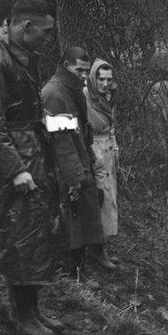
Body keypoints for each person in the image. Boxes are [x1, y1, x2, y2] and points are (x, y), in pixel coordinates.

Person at [0, 0, 63, 335]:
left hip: (31, 152)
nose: (49, 38)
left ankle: (32, 308)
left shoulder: (18, 55)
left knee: (36, 230)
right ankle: (20, 313)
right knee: (18, 234)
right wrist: (15, 169)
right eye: (46, 31)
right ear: (26, 26)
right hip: (13, 161)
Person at [42, 46, 118, 274]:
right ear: (65, 66)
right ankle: (71, 265)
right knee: (72, 212)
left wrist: (90, 155)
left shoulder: (71, 88)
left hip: (80, 153)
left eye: (87, 71)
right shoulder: (54, 93)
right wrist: (74, 174)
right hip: (66, 162)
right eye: (79, 70)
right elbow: (60, 140)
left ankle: (94, 252)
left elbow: (80, 127)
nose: (84, 76)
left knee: (90, 204)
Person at [85, 59, 120, 250]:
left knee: (108, 196)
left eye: (108, 79)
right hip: (93, 147)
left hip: (107, 148)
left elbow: (111, 126)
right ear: (93, 77)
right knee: (97, 196)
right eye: (100, 79)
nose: (105, 84)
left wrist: (115, 148)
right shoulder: (84, 95)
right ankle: (94, 247)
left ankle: (101, 244)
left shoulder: (109, 95)